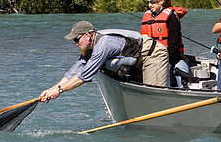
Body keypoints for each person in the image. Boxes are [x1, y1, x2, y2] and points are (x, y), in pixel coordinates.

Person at [40, 21, 168, 101]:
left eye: (76, 40)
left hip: (153, 54)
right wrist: (52, 89)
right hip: (137, 58)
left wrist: (60, 91)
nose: (75, 44)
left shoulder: (103, 46)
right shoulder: (90, 47)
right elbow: (76, 70)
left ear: (88, 35)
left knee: (155, 97)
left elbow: (83, 77)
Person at [140, 0, 190, 87]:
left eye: (153, 2)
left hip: (173, 57)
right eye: (148, 2)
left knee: (181, 74)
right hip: (152, 57)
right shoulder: (147, 16)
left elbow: (174, 45)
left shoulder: (171, 17)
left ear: (161, 1)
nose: (150, 5)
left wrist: (163, 60)